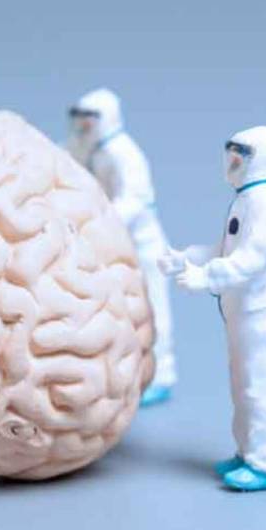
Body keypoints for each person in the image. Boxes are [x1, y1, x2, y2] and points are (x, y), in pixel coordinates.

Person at [159, 126, 266, 492]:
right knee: (242, 390)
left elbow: (251, 261)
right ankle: (246, 454)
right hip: (240, 316)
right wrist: (185, 259)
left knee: (262, 392)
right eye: (231, 153)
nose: (233, 161)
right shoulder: (246, 200)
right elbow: (224, 250)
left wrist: (205, 276)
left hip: (261, 317)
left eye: (242, 155)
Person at [66, 88, 177, 406]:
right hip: (107, 246)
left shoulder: (124, 153)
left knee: (153, 309)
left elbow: (136, 199)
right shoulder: (81, 146)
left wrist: (102, 219)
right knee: (119, 313)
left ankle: (162, 374)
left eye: (91, 118)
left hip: (142, 245)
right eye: (79, 117)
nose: (84, 123)